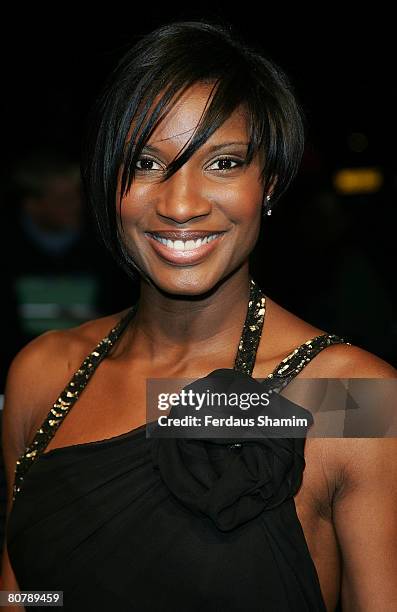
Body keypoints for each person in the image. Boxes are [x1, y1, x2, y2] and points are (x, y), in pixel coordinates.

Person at [1, 19, 396, 612]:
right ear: (107, 184)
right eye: (145, 163)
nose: (180, 203)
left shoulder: (350, 394)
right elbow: (28, 591)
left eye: (223, 163)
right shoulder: (42, 372)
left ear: (271, 181)